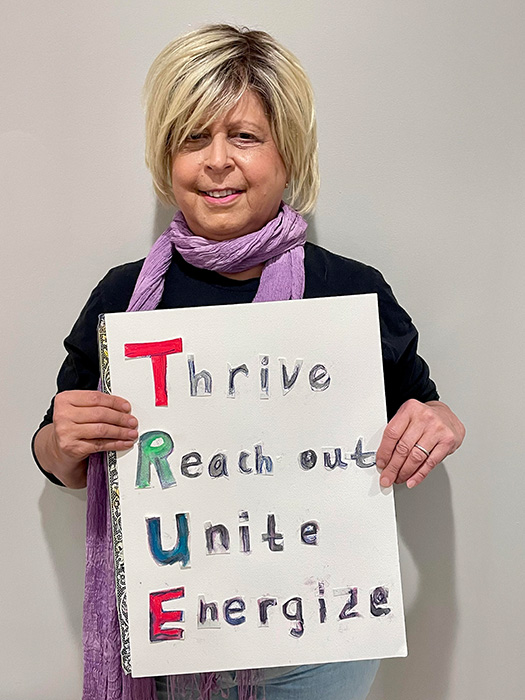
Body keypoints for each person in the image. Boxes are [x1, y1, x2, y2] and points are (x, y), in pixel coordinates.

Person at [32, 24, 465, 700]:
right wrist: (63, 442)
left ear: (287, 152)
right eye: (192, 138)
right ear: (164, 156)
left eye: (243, 136)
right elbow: (56, 456)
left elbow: (417, 403)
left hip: (319, 650)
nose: (216, 161)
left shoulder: (348, 291)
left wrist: (436, 422)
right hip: (167, 650)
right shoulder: (124, 298)